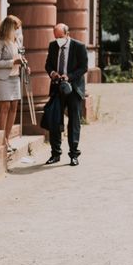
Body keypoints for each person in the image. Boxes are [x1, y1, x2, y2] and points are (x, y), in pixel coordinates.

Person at [44, 24, 88, 166]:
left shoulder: (79, 46)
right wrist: (52, 73)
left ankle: (74, 154)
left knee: (74, 122)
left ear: (67, 34)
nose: (58, 40)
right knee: (54, 121)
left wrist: (69, 76)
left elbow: (83, 67)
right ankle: (55, 154)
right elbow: (48, 65)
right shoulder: (52, 46)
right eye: (55, 37)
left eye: (60, 37)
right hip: (57, 88)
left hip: (73, 89)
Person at [0, 15, 24, 154]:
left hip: (15, 78)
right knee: (4, 107)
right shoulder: (0, 41)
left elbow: (20, 57)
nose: (18, 30)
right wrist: (12, 62)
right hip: (3, 79)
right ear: (9, 28)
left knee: (13, 107)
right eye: (16, 28)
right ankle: (0, 142)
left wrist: (24, 64)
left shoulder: (16, 41)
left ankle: (7, 139)